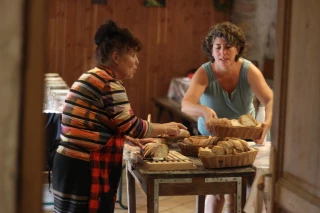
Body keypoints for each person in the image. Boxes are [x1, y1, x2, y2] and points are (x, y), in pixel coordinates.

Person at [51, 20, 186, 213]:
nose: (137, 62)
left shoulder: (90, 76)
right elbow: (132, 125)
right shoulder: (109, 83)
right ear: (116, 57)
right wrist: (167, 128)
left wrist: (126, 138)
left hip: (68, 164)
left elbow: (98, 123)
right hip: (84, 169)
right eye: (132, 55)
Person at [181, 22, 273, 213]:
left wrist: (267, 123)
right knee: (217, 191)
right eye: (218, 47)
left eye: (228, 47)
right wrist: (204, 110)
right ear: (211, 50)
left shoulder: (249, 71)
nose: (223, 52)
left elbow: (270, 99)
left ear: (238, 48)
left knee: (249, 189)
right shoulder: (204, 72)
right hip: (211, 141)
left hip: (244, 141)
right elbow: (186, 105)